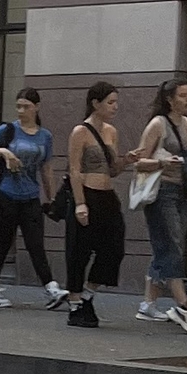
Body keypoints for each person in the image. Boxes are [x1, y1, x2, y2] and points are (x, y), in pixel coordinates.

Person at [0, 85, 64, 306]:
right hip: (6, 194)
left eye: (26, 106)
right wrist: (4, 152)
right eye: (18, 106)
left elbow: (46, 168)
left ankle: (50, 288)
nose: (21, 111)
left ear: (36, 107)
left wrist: (52, 197)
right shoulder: (8, 130)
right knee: (3, 243)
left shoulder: (45, 136)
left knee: (35, 243)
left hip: (30, 195)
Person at [131, 79, 187, 333]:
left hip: (184, 191)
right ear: (169, 99)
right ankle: (182, 301)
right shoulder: (158, 124)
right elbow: (139, 162)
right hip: (161, 190)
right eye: (182, 95)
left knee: (169, 243)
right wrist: (162, 163)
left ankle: (148, 303)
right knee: (172, 243)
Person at [62, 83, 125, 327]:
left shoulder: (111, 132)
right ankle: (75, 302)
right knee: (80, 250)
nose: (115, 107)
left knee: (114, 248)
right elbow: (75, 169)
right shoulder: (80, 131)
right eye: (110, 102)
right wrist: (80, 203)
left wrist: (127, 160)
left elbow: (113, 170)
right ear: (95, 103)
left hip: (107, 195)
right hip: (87, 194)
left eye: (116, 102)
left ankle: (89, 292)